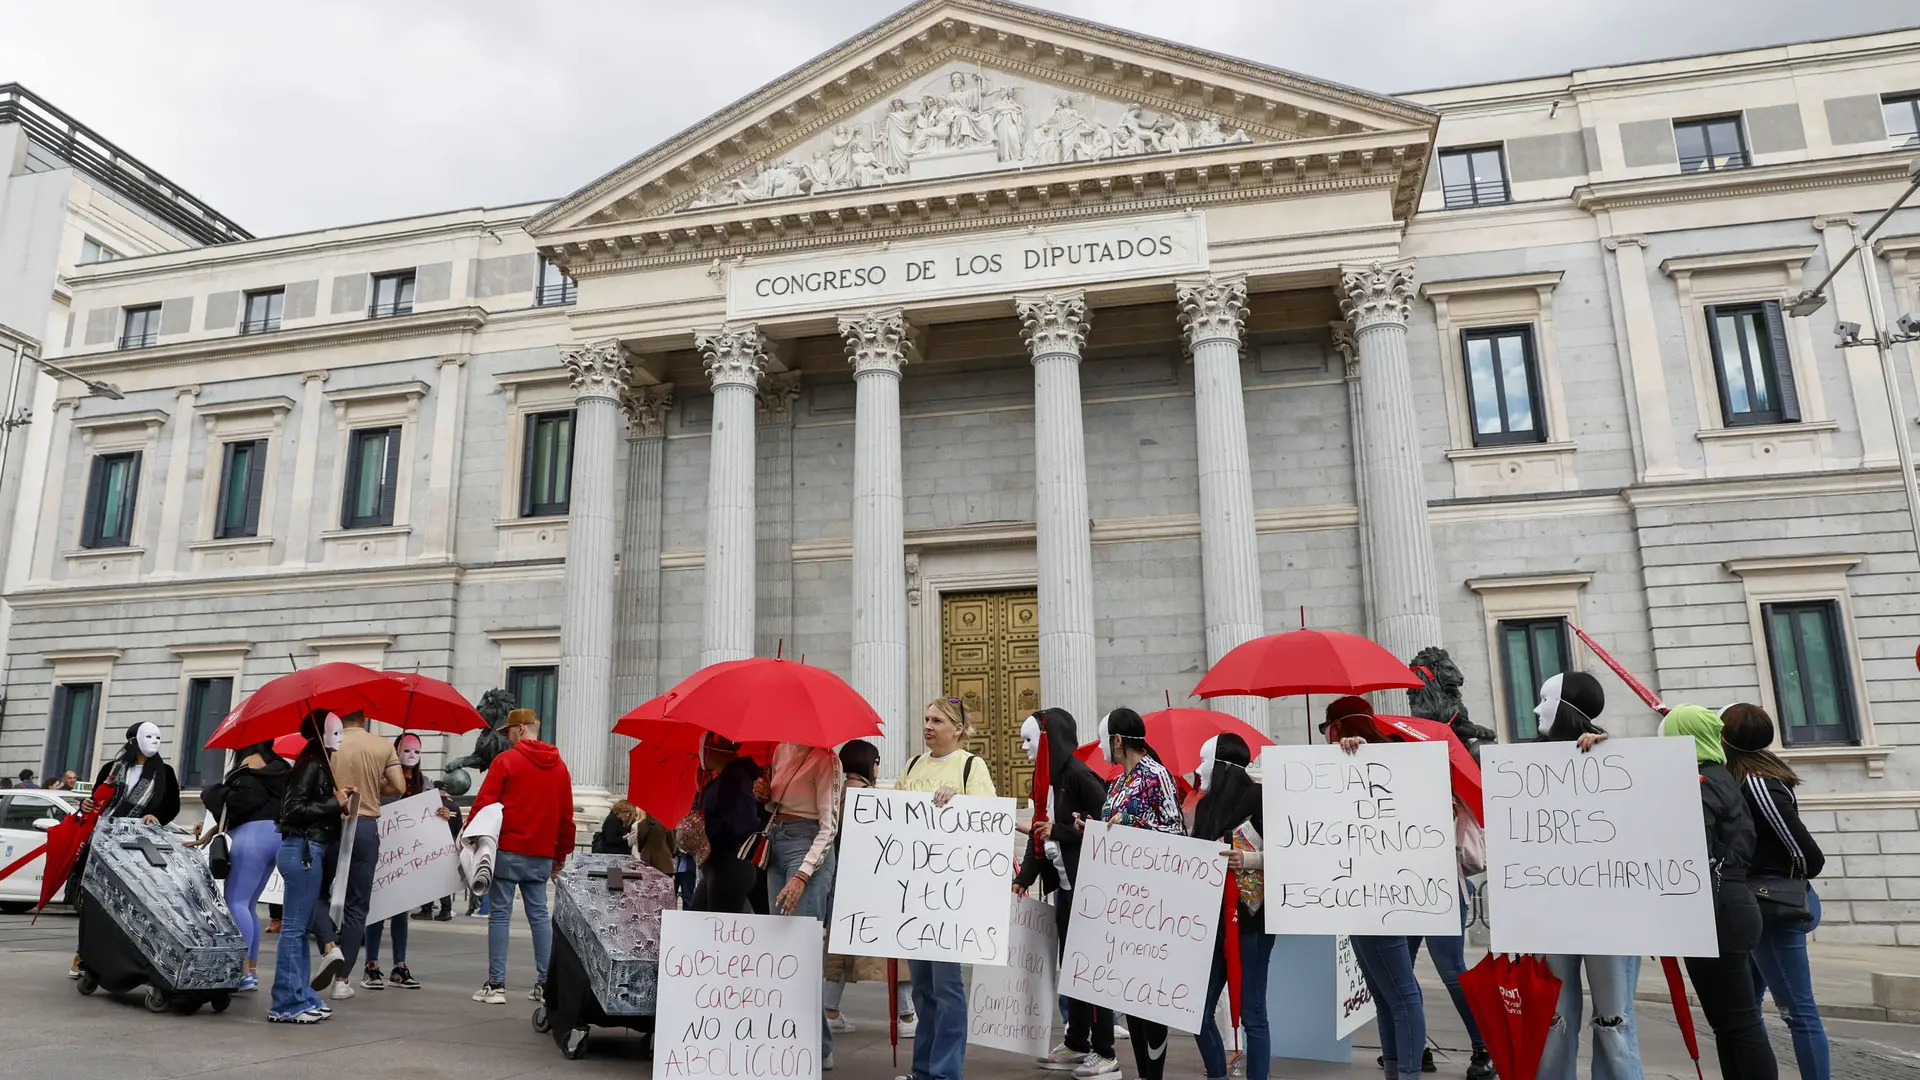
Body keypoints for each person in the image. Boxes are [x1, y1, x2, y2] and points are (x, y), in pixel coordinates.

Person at [1523, 671, 1642, 1080]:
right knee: (1553, 1017)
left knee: (1614, 1020)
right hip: (1550, 911)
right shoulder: (1524, 766)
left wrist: (1613, 755)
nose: (1536, 709)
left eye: (1545, 699)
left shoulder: (1617, 758)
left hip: (1609, 915)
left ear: (1567, 707)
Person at [1664, 705, 1779, 1079]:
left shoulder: (1701, 782)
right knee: (1731, 1026)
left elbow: (1694, 846)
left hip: (1717, 911)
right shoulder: (1719, 776)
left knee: (1740, 1025)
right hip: (1729, 905)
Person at [1721, 703, 1829, 1080]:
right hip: (1760, 904)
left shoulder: (1756, 782)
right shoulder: (1748, 775)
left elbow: (1805, 853)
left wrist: (1783, 879)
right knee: (1747, 1011)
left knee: (1797, 1011)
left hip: (1772, 905)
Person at [1323, 697, 1426, 1080]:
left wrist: (1366, 759)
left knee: (1399, 995)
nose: (1326, 739)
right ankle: (1398, 1070)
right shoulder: (1351, 764)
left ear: (1338, 728)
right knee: (1386, 997)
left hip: (1382, 895)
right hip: (1365, 895)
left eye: (1327, 729)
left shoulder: (1388, 758)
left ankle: (1408, 1073)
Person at [894, 697, 996, 1080]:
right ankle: (923, 1069)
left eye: (937, 720)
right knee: (922, 987)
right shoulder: (911, 765)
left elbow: (987, 819)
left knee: (947, 986)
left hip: (950, 895)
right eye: (925, 719)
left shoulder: (971, 766)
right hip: (916, 892)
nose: (928, 725)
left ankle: (945, 1071)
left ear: (957, 728)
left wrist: (958, 801)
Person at [1016, 709, 1116, 1078]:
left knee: (1092, 970)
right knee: (1072, 969)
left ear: (1048, 740)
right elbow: (1040, 833)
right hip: (1066, 889)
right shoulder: (1044, 780)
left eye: (1029, 740)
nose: (1023, 747)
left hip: (1091, 889)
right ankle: (1077, 1042)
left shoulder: (1079, 776)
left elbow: (1105, 830)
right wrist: (1025, 878)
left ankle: (1105, 1051)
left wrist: (1059, 831)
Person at [1094, 707, 1183, 1080]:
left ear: (1118, 740)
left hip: (1152, 902)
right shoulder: (1117, 782)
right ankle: (1143, 1071)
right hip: (1121, 901)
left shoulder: (1157, 776)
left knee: (1151, 996)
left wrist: (1134, 822)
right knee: (1129, 992)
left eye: (1105, 742)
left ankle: (1153, 1074)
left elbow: (1177, 835)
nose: (1103, 750)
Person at [470, 708, 575, 1005]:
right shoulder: (559, 767)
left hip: (508, 850)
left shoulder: (505, 761)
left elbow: (484, 804)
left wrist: (469, 838)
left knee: (500, 915)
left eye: (508, 732)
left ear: (519, 729)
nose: (506, 738)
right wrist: (560, 856)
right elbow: (567, 817)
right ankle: (544, 984)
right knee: (539, 916)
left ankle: (497, 985)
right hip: (541, 853)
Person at [1189, 733, 1274, 1080]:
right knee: (1196, 1010)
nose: (1197, 769)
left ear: (1222, 765)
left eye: (1204, 760)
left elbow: (1294, 854)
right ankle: (1217, 1074)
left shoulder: (1260, 797)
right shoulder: (1205, 807)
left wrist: (1250, 859)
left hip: (1251, 922)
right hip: (1213, 923)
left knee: (1253, 1012)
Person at [68, 722, 183, 978]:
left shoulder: (165, 772)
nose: (154, 742)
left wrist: (156, 816)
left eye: (158, 737)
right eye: (148, 736)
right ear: (133, 741)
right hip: (104, 840)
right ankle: (84, 955)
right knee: (94, 903)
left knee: (134, 903)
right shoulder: (112, 769)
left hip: (138, 845)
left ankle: (134, 961)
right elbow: (96, 799)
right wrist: (86, 804)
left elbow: (172, 805)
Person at [760, 740, 845, 1068]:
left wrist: (803, 874)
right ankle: (791, 1035)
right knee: (780, 946)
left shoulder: (827, 760)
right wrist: (765, 795)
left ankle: (816, 1046)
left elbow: (829, 826)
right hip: (778, 839)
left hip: (808, 845)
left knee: (803, 951)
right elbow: (777, 803)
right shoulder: (782, 749)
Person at [823, 739, 916, 1039]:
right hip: (873, 882)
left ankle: (829, 1010)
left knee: (838, 950)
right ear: (867, 763)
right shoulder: (869, 798)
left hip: (841, 879)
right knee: (898, 946)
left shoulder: (835, 794)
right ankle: (906, 1014)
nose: (878, 768)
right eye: (876, 762)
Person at [268, 712, 349, 1023]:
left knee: (298, 930)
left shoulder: (318, 762)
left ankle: (300, 995)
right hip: (302, 849)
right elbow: (293, 809)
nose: (340, 736)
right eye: (336, 729)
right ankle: (286, 1003)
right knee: (294, 930)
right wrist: (333, 803)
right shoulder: (311, 762)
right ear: (322, 732)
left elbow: (308, 807)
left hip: (307, 849)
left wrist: (335, 806)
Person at [325, 710, 405, 1001]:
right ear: (365, 718)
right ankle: (342, 980)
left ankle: (325, 947)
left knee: (319, 895)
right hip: (366, 825)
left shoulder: (327, 743)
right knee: (358, 906)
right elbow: (399, 786)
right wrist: (374, 787)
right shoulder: (382, 745)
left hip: (331, 822)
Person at [362, 732, 446, 991]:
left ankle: (400, 965)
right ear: (395, 751)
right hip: (383, 853)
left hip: (409, 857)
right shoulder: (382, 779)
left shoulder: (426, 783)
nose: (411, 756)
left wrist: (443, 812)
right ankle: (371, 966)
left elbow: (435, 814)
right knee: (376, 910)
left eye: (416, 751)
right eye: (406, 750)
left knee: (401, 911)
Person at [212, 740, 290, 993]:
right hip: (276, 837)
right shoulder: (280, 767)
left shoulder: (245, 768)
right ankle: (252, 970)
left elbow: (236, 806)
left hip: (250, 837)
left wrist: (216, 792)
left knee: (236, 902)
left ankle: (242, 972)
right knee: (250, 905)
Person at [691, 734, 763, 915]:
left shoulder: (736, 778)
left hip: (730, 863)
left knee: (717, 922)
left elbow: (743, 824)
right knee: (699, 915)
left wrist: (711, 828)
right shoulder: (725, 778)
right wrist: (701, 790)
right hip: (720, 865)